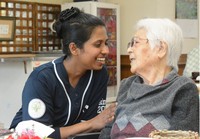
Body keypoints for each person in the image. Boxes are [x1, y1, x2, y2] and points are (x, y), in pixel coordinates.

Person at [9, 7, 116, 139]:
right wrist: (91, 124)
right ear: (74, 48)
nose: (106, 50)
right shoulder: (42, 78)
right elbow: (37, 134)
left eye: (106, 43)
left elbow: (93, 130)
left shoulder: (99, 74)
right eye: (98, 44)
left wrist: (92, 124)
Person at [99, 18, 199, 139]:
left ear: (161, 49)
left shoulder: (182, 88)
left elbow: (182, 136)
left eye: (135, 42)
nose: (129, 49)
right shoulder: (127, 85)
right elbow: (107, 132)